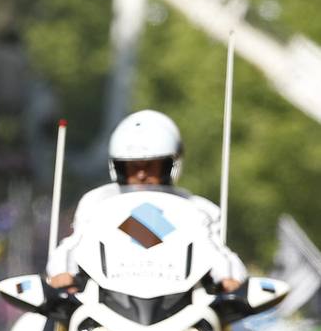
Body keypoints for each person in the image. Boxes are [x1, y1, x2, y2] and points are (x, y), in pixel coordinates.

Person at [46, 109, 243, 291]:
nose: (141, 174)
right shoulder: (98, 202)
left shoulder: (198, 209)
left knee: (239, 330)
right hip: (106, 307)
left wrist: (229, 278)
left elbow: (218, 253)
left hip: (183, 309)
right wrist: (62, 273)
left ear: (170, 165)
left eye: (151, 165)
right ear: (118, 167)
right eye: (132, 166)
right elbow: (73, 245)